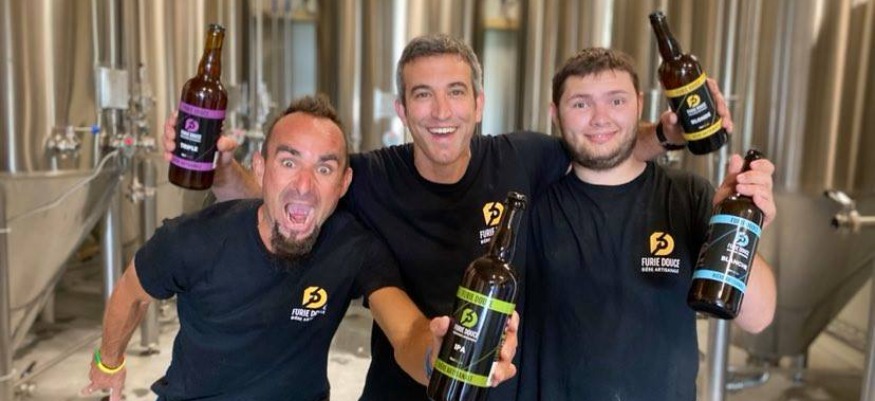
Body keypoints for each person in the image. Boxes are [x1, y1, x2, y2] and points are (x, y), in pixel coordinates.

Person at [163, 34, 733, 401]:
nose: (441, 112)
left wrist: (666, 134)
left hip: (500, 388)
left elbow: (599, 144)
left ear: (479, 104)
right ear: (401, 109)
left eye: (456, 93)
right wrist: (220, 170)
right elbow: (288, 199)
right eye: (422, 95)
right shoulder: (369, 176)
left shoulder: (523, 157)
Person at [82, 95, 517, 401]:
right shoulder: (194, 239)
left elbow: (406, 333)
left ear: (343, 183)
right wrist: (109, 362)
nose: (305, 186)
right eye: (289, 162)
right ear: (261, 168)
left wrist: (440, 355)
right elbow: (132, 291)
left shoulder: (353, 248)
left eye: (324, 169)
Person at [519, 48, 777, 401]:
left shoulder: (687, 195)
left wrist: (738, 226)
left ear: (639, 104)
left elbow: (758, 317)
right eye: (580, 104)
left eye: (616, 101)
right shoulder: (530, 201)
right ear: (554, 114)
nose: (600, 118)